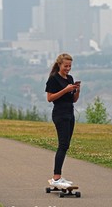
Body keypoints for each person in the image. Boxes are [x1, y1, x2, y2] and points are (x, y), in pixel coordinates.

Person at [45, 53, 81, 188]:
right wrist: (65, 90)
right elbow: (50, 98)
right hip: (60, 114)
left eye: (70, 66)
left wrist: (76, 91)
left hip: (70, 114)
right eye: (65, 66)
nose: (68, 68)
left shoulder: (70, 78)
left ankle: (58, 176)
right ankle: (56, 177)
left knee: (66, 145)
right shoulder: (53, 79)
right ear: (59, 65)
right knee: (63, 144)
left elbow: (73, 100)